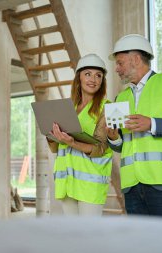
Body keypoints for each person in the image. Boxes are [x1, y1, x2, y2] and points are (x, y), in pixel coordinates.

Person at [106, 34, 162, 218]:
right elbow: (124, 146)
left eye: (120, 63)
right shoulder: (121, 98)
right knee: (140, 244)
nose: (116, 69)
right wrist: (113, 137)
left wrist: (151, 124)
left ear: (135, 59)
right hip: (132, 186)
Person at [47, 54, 113, 216]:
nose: (93, 79)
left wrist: (72, 142)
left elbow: (101, 148)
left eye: (98, 75)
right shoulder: (68, 107)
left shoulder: (107, 107)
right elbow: (55, 148)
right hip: (67, 181)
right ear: (79, 78)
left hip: (90, 184)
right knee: (73, 236)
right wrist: (51, 134)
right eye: (88, 74)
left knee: (89, 237)